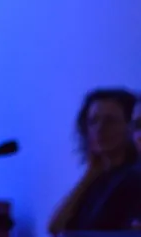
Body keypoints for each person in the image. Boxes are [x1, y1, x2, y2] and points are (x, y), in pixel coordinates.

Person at [48, 88, 141, 235]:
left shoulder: (134, 177)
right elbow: (55, 228)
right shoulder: (97, 177)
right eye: (93, 121)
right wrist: (89, 174)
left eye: (110, 121)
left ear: (130, 126)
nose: (99, 128)